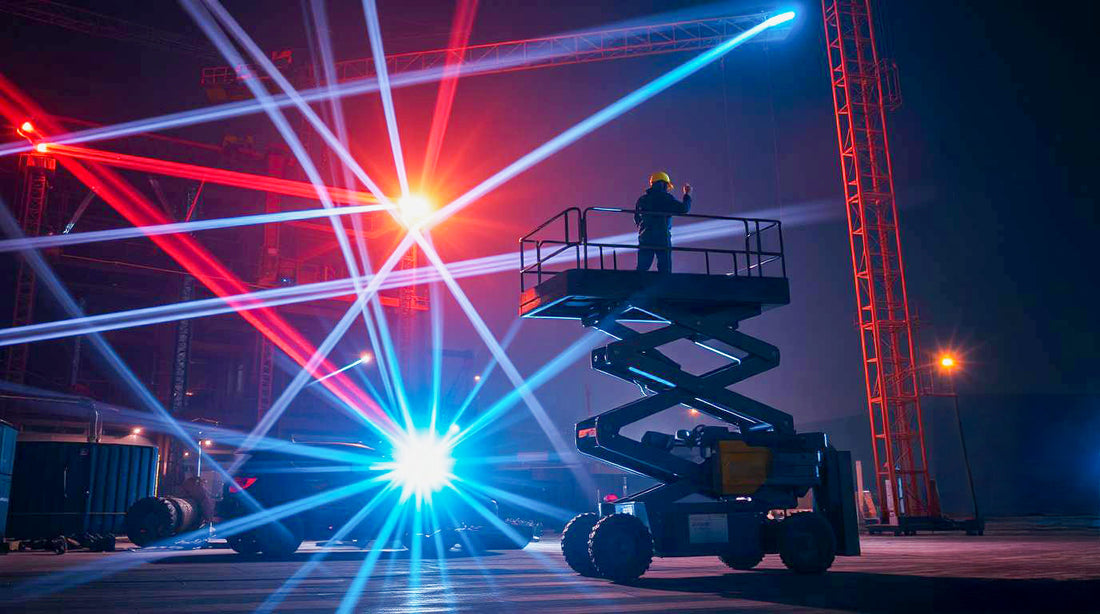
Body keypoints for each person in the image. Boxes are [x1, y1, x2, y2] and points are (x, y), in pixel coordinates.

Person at [635, 171, 692, 273]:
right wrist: (687, 195)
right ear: (663, 184)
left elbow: (636, 217)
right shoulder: (666, 198)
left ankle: (636, 282)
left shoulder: (642, 199)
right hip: (662, 236)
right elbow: (684, 209)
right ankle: (663, 282)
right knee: (665, 269)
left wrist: (643, 228)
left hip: (645, 236)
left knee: (642, 268)